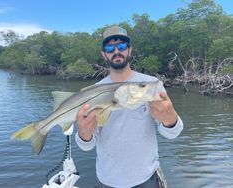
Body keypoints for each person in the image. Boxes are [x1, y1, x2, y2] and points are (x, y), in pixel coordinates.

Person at [75, 26, 183, 188]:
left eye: (122, 46)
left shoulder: (151, 84)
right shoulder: (92, 92)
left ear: (129, 50)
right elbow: (86, 145)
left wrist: (170, 119)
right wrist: (84, 133)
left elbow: (172, 134)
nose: (116, 51)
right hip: (107, 180)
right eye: (110, 47)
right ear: (104, 54)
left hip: (146, 179)